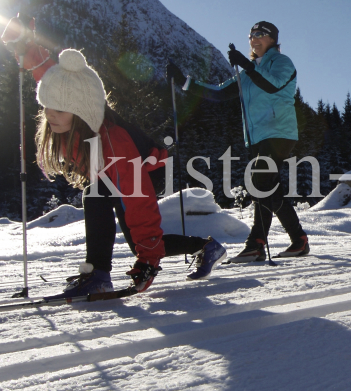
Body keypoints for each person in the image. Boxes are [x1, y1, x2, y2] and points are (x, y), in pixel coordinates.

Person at [21, 46, 227, 295]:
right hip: (114, 173)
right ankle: (205, 248)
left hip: (145, 170)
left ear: (82, 110)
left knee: (133, 233)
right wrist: (30, 53)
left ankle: (99, 275)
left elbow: (139, 204)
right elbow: (60, 80)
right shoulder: (69, 114)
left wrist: (148, 260)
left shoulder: (114, 142)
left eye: (59, 110)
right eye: (47, 107)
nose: (50, 115)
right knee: (98, 196)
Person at [168, 21, 307, 262]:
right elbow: (220, 93)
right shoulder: (250, 71)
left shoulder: (282, 63)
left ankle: (256, 243)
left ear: (273, 39)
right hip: (256, 138)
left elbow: (272, 86)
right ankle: (299, 240)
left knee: (259, 182)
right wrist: (185, 82)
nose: (255, 38)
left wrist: (246, 65)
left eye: (261, 34)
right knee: (269, 189)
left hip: (278, 133)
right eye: (252, 34)